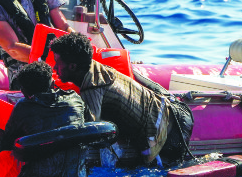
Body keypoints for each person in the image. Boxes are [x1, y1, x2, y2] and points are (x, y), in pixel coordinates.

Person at [50, 32, 194, 167]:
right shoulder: (97, 69)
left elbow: (91, 132)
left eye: (57, 62)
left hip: (168, 135)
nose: (55, 67)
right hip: (173, 112)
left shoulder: (92, 88)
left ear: (73, 66)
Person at [0, 61, 88, 177]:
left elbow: (6, 143)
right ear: (52, 84)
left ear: (23, 92)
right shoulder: (75, 99)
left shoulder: (24, 107)